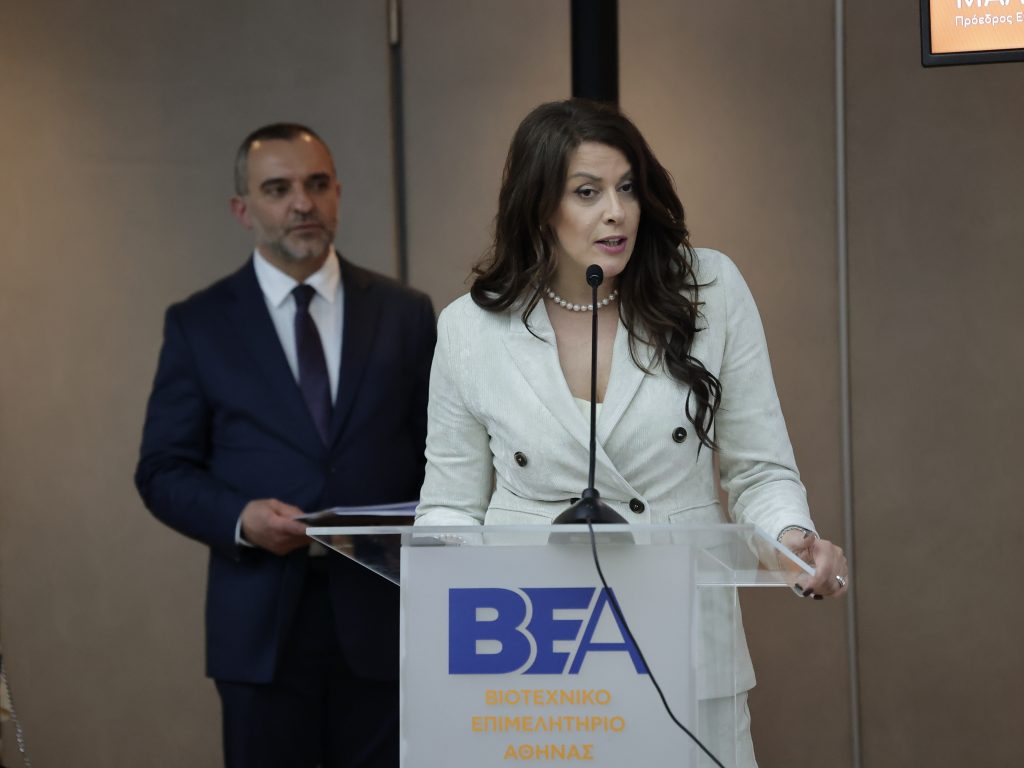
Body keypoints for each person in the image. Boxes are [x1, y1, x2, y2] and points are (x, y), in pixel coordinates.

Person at [414, 99, 848, 766]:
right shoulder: (470, 328)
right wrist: (438, 614)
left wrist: (792, 540)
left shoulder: (708, 290)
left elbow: (759, 469)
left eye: (627, 188)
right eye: (587, 192)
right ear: (539, 205)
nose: (616, 212)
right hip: (532, 645)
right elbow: (450, 504)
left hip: (680, 632)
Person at [135, 123, 435, 768]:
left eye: (317, 184)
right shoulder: (199, 323)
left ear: (338, 194)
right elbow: (162, 469)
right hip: (259, 626)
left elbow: (442, 456)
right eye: (278, 189)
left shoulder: (405, 313)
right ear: (242, 209)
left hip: (384, 620)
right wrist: (239, 519)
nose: (303, 203)